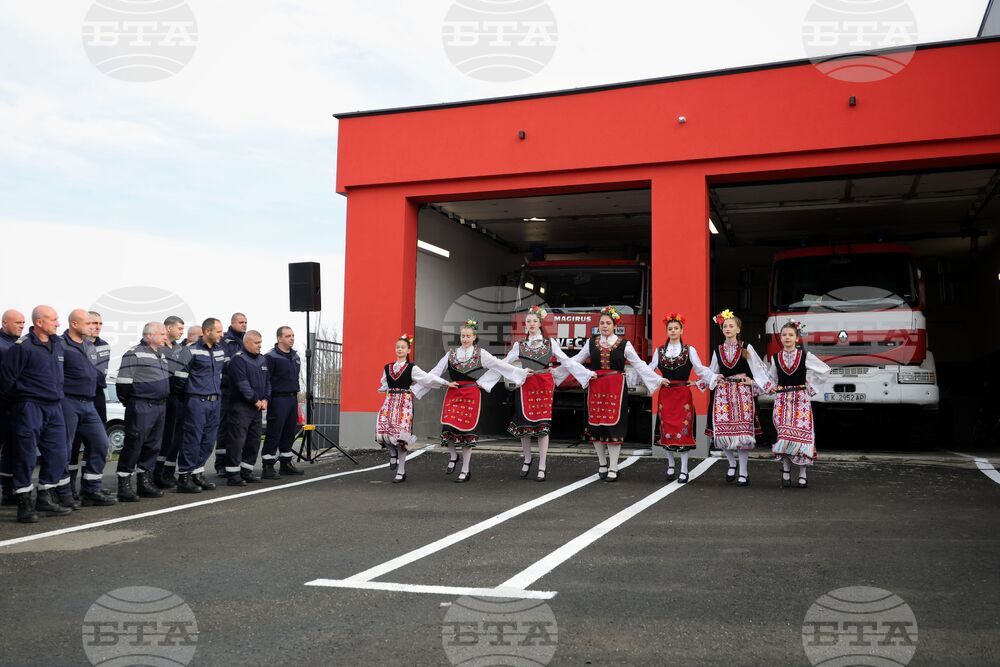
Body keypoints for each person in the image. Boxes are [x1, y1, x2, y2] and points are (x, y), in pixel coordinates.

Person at [416, 319, 527, 483]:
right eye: (463, 336)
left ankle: (465, 469)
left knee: (467, 432)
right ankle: (453, 456)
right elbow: (435, 372)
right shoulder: (451, 354)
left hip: (471, 393)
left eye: (468, 336)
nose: (465, 339)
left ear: (474, 337)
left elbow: (498, 365)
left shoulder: (481, 353)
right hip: (454, 392)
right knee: (448, 426)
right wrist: (417, 386)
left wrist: (521, 373)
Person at [566, 307, 662, 482]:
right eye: (602, 323)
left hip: (615, 389)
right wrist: (557, 372)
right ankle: (602, 463)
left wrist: (657, 380)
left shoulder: (624, 344)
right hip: (596, 388)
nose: (604, 326)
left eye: (608, 323)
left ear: (614, 325)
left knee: (613, 427)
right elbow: (574, 362)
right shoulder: (591, 343)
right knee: (595, 426)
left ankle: (614, 466)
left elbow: (639, 364)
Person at [0, 306, 72, 522]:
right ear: (39, 323)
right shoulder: (23, 347)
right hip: (29, 406)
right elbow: (6, 380)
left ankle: (45, 497)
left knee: (59, 452)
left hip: (54, 407)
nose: (58, 323)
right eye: (53, 320)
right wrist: (18, 404)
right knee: (26, 455)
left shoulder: (58, 344)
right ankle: (24, 503)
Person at [501, 306, 590, 482]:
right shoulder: (520, 345)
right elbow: (503, 363)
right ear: (525, 325)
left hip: (543, 386)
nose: (531, 324)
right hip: (526, 385)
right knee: (523, 424)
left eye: (534, 321)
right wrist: (483, 377)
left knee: (542, 426)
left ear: (540, 323)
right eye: (528, 321)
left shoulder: (550, 343)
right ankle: (527, 459)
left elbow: (567, 362)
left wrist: (585, 373)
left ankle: (542, 465)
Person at [702, 309, 772, 487]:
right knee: (723, 433)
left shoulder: (746, 347)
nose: (728, 328)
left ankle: (743, 471)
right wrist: (710, 379)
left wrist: (760, 383)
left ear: (738, 329)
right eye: (725, 326)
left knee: (742, 435)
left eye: (731, 326)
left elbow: (758, 368)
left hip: (742, 394)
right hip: (723, 394)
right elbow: (712, 369)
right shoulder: (718, 349)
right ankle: (731, 463)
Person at [58, 309, 116, 508]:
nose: (94, 327)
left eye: (97, 324)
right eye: (89, 323)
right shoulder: (60, 344)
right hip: (68, 401)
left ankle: (91, 490)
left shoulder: (89, 346)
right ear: (75, 324)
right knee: (66, 448)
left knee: (100, 443)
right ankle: (63, 492)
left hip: (90, 402)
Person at [376, 334, 452, 483]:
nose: (399, 349)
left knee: (402, 437)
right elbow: (384, 383)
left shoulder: (412, 368)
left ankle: (401, 471)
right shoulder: (387, 367)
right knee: (382, 432)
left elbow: (427, 378)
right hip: (389, 401)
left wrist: (445, 383)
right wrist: (382, 388)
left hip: (404, 403)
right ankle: (392, 454)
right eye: (397, 347)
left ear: (408, 350)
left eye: (402, 347)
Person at [647, 312, 712, 484]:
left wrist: (709, 379)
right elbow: (649, 370)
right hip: (666, 394)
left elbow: (700, 369)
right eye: (670, 328)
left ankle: (684, 468)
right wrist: (658, 380)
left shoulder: (689, 350)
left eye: (676, 328)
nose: (673, 331)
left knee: (683, 431)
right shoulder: (659, 351)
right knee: (666, 429)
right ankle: (670, 464)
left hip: (683, 394)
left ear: (682, 330)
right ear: (666, 331)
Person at [765, 320, 831, 488]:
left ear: (797, 338)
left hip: (801, 400)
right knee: (785, 437)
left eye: (790, 335)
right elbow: (771, 378)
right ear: (780, 338)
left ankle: (802, 473)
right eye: (784, 335)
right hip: (782, 401)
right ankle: (786, 470)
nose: (787, 338)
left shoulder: (805, 356)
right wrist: (769, 387)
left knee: (801, 438)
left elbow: (824, 370)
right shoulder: (775, 358)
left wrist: (811, 387)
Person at [115, 322, 171, 501]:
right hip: (141, 406)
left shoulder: (160, 354)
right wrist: (133, 402)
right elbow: (123, 385)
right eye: (161, 333)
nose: (165, 336)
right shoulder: (133, 353)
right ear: (149, 336)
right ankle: (124, 485)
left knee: (153, 445)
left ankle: (144, 482)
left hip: (160, 406)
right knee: (134, 444)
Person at [174, 318, 228, 493]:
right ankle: (184, 476)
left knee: (208, 440)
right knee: (192, 439)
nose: (222, 334)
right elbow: (179, 380)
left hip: (215, 402)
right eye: (218, 331)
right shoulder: (190, 350)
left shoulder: (220, 350)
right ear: (207, 332)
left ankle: (198, 473)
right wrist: (189, 398)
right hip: (196, 401)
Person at [222, 330, 270, 486]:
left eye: (260, 342)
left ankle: (246, 471)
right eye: (257, 343)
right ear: (247, 342)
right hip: (241, 407)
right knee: (237, 441)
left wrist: (265, 399)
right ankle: (233, 474)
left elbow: (268, 382)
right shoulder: (238, 360)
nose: (260, 346)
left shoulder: (262, 360)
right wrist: (255, 400)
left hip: (257, 408)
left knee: (254, 441)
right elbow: (242, 384)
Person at [262, 326, 303, 479]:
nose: (291, 338)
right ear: (279, 338)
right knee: (275, 432)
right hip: (278, 398)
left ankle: (285, 463)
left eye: (292, 335)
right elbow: (266, 380)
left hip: (292, 398)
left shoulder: (295, 357)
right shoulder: (271, 357)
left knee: (289, 432)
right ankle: (268, 465)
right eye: (287, 336)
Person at [153, 315, 186, 489]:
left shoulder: (179, 349)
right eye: (179, 328)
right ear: (168, 328)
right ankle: (152, 475)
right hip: (161, 399)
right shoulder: (157, 348)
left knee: (172, 439)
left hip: (177, 399)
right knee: (158, 439)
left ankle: (165, 473)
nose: (182, 332)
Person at [215, 312, 248, 477]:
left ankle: (235, 463)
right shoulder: (225, 341)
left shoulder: (246, 341)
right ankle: (220, 464)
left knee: (238, 430)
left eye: (246, 322)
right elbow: (227, 365)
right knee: (224, 428)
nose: (244, 325)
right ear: (233, 323)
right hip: (227, 389)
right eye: (241, 322)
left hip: (241, 392)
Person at [0, 308, 25, 506]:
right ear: (5, 323)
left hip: (17, 406)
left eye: (23, 323)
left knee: (14, 449)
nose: (21, 326)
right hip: (2, 404)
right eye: (17, 323)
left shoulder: (21, 344)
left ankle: (9, 490)